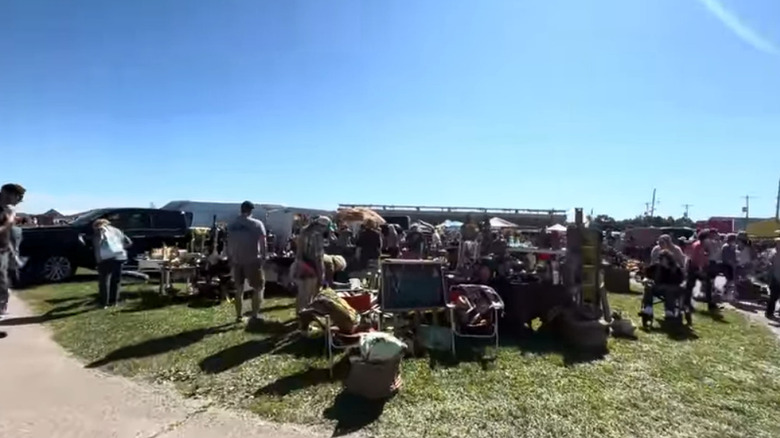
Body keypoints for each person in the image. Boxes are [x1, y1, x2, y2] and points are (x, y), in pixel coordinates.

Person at [226, 201, 268, 323]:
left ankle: (239, 316)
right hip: (252, 260)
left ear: (241, 209)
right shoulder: (257, 224)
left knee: (238, 289)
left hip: (237, 260)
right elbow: (263, 242)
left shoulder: (232, 224)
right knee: (258, 288)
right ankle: (254, 315)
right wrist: (264, 257)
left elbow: (229, 243)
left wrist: (230, 258)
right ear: (251, 211)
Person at [293, 216, 330, 322]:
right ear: (323, 226)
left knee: (301, 294)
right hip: (311, 268)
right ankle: (306, 319)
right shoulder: (317, 236)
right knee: (309, 296)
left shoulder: (304, 231)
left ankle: (299, 315)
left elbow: (299, 251)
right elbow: (318, 258)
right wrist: (321, 275)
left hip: (300, 265)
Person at [92, 218, 132, 308]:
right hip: (119, 257)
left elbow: (97, 245)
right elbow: (129, 242)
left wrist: (98, 259)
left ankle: (104, 303)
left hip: (105, 258)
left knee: (104, 281)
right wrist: (119, 248)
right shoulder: (117, 230)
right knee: (116, 280)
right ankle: (114, 301)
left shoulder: (100, 230)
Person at [0, 183, 25, 317]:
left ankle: (2, 308)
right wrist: (8, 223)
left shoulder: (7, 209)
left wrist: (13, 254)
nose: (19, 201)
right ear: (8, 194)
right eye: (19, 197)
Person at [640, 250, 686, 319]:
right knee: (649, 287)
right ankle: (648, 308)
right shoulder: (656, 267)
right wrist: (645, 279)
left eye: (664, 259)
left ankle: (669, 311)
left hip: (672, 289)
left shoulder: (676, 269)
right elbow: (646, 274)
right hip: (659, 288)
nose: (661, 261)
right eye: (661, 259)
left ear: (669, 260)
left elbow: (681, 280)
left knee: (669, 290)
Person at [765, 238, 780, 319]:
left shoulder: (773, 253)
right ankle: (769, 313)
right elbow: (769, 265)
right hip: (775, 278)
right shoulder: (773, 253)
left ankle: (771, 312)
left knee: (774, 297)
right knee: (773, 297)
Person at [720, 234, 738, 301]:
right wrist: (732, 264)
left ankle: (726, 294)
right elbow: (726, 258)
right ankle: (724, 294)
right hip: (727, 266)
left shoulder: (731, 246)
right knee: (729, 280)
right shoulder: (726, 247)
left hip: (730, 265)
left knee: (730, 281)